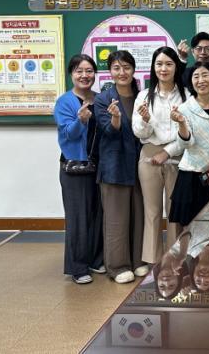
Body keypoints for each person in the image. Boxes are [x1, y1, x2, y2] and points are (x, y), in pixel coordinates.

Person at [94, 50, 149, 284]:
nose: (122, 72)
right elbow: (107, 130)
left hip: (140, 165)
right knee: (116, 219)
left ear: (134, 69)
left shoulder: (143, 96)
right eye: (116, 68)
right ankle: (117, 267)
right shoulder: (103, 98)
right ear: (110, 71)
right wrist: (115, 118)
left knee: (139, 215)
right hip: (114, 166)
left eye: (126, 67)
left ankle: (138, 260)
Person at [132, 47, 187, 265]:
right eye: (159, 64)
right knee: (152, 211)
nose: (163, 69)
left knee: (174, 211)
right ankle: (152, 261)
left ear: (176, 67)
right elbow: (139, 132)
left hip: (177, 154)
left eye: (169, 64)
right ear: (153, 67)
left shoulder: (186, 96)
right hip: (149, 155)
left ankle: (175, 258)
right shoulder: (143, 96)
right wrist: (146, 120)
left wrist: (169, 151)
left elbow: (188, 133)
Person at [53, 54, 104, 284]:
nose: (85, 75)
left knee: (97, 214)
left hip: (99, 166)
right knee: (78, 217)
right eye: (79, 71)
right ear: (71, 74)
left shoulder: (100, 99)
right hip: (75, 167)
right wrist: (81, 120)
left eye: (89, 71)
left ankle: (95, 259)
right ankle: (78, 267)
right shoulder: (65, 101)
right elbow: (67, 134)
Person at [169, 62, 209, 230]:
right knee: (192, 231)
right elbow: (185, 143)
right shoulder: (183, 109)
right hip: (192, 178)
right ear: (191, 82)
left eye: (205, 75)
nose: (201, 80)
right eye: (196, 76)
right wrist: (181, 123)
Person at [178, 32, 209, 99]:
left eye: (208, 49)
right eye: (199, 48)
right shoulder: (184, 74)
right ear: (192, 52)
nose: (203, 52)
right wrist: (182, 58)